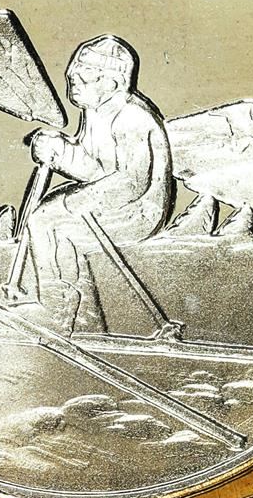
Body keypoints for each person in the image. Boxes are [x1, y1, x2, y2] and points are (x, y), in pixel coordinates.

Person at [17, 35, 174, 333]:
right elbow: (96, 169)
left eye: (84, 75)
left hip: (139, 211)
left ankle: (60, 309)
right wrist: (59, 151)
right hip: (113, 203)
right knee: (45, 216)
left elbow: (132, 182)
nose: (72, 79)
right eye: (73, 73)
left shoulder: (132, 118)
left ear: (113, 82)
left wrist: (75, 202)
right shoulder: (96, 112)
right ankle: (82, 314)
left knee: (52, 222)